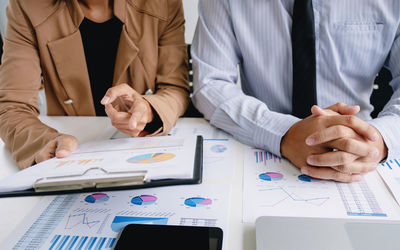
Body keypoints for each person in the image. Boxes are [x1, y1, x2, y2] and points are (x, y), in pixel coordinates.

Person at [192, 0, 400, 182]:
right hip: (263, 148)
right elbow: (211, 83)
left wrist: (378, 140)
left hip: (362, 156)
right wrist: (284, 133)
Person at [0, 0, 189, 169]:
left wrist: (150, 109)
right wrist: (45, 141)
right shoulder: (27, 6)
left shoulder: (164, 3)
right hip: (72, 157)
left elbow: (176, 88)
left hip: (143, 153)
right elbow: (12, 106)